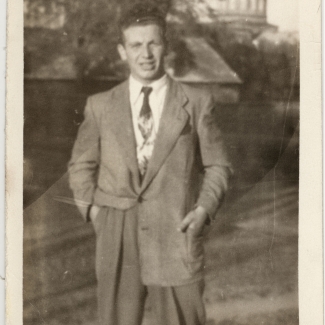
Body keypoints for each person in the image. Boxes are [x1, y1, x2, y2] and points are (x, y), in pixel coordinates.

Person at [68, 3, 232, 325]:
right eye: (135, 45)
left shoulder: (196, 102)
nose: (145, 53)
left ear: (165, 45)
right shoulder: (100, 105)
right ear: (121, 51)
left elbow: (218, 166)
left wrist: (203, 210)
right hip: (116, 233)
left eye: (153, 43)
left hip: (176, 230)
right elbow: (80, 165)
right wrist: (95, 213)